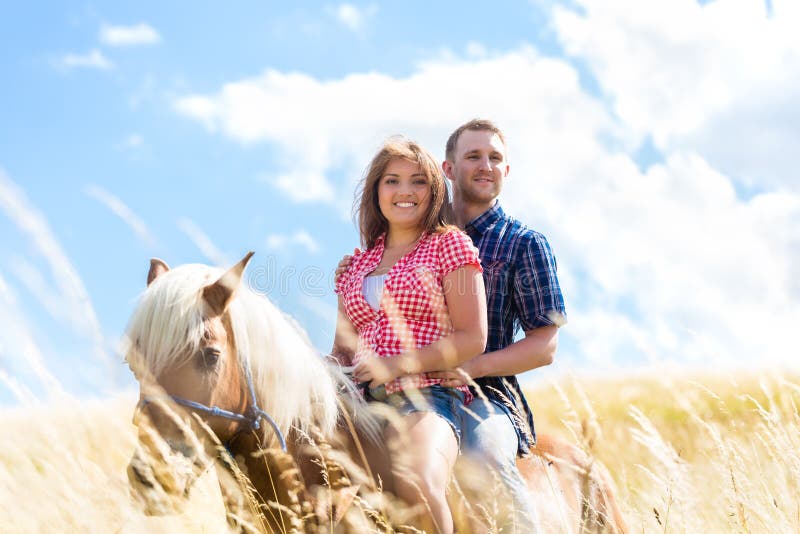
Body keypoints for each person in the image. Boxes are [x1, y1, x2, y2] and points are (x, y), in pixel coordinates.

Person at [336, 119, 567, 530]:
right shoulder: (388, 250)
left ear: (506, 170)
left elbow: (544, 346)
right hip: (391, 387)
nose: (485, 166)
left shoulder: (521, 243)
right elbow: (351, 341)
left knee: (486, 461)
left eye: (495, 158)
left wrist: (470, 368)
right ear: (448, 169)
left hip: (484, 389)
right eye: (473, 156)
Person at [330, 137, 487, 534]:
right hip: (357, 408)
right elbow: (342, 352)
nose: (404, 191)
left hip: (428, 397)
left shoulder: (449, 246)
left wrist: (394, 365)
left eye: (417, 181)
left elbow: (472, 338)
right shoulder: (355, 265)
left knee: (417, 479)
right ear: (376, 191)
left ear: (434, 192)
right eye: (392, 181)